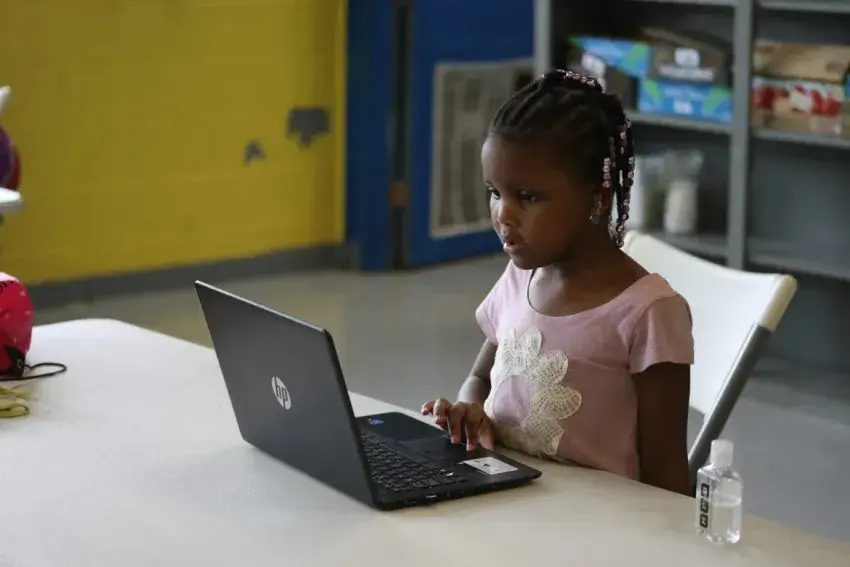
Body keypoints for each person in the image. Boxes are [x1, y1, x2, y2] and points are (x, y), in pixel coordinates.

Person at [421, 70, 695, 496]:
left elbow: (667, 476)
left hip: (595, 523)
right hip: (504, 504)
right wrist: (469, 411)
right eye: (495, 192)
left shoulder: (649, 312)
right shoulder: (520, 277)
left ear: (597, 199)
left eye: (527, 197)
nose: (503, 215)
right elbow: (480, 378)